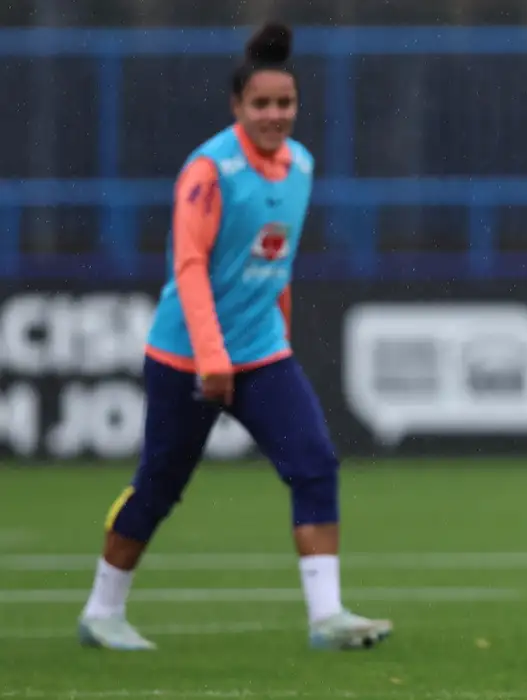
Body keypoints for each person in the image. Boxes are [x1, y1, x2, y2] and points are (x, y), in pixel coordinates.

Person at [77, 22, 392, 652]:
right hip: (186, 356)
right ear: (237, 107)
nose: (276, 115)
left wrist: (279, 332)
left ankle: (326, 617)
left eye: (286, 103)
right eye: (262, 105)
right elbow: (188, 268)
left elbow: (277, 263)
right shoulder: (208, 171)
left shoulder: (300, 164)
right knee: (160, 484)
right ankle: (100, 612)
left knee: (314, 464)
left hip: (261, 353)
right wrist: (212, 359)